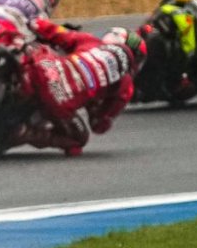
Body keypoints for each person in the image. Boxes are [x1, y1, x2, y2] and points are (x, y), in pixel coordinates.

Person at [15, 22, 141, 153]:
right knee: (79, 139)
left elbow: (55, 31)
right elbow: (99, 125)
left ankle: (10, 57)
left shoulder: (90, 40)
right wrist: (92, 104)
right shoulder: (125, 84)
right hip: (59, 97)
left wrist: (34, 23)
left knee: (32, 48)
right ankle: (25, 133)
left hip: (45, 65)